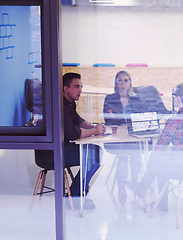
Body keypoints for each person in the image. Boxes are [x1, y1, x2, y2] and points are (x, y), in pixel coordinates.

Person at [132, 82, 183, 211]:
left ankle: (153, 195)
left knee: (158, 157)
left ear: (178, 98)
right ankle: (145, 189)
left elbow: (160, 146)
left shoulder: (174, 120)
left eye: (174, 95)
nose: (173, 97)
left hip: (180, 167)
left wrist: (167, 132)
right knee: (163, 158)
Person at [38, 72, 106, 208]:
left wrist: (94, 127)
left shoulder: (69, 103)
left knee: (95, 152)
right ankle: (75, 197)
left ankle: (76, 192)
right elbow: (73, 133)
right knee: (93, 155)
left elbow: (78, 120)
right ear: (65, 88)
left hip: (61, 147)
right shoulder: (60, 106)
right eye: (76, 86)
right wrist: (94, 132)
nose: (80, 90)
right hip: (50, 153)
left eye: (81, 86)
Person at [103, 71, 145, 205]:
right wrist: (124, 121)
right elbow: (108, 120)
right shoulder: (110, 98)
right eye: (119, 81)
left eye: (126, 80)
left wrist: (120, 119)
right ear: (115, 83)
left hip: (133, 136)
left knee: (135, 153)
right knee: (123, 155)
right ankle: (121, 189)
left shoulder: (136, 98)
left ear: (130, 83)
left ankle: (134, 183)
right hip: (117, 137)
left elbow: (140, 119)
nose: (123, 83)